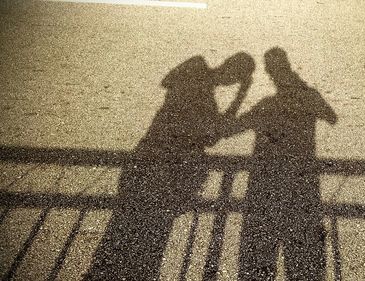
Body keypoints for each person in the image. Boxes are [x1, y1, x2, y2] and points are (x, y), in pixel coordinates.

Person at [86, 53, 255, 280]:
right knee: (130, 236)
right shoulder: (197, 68)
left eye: (237, 80)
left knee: (139, 242)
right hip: (156, 167)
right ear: (230, 67)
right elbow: (171, 86)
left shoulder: (202, 82)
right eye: (236, 76)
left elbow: (211, 135)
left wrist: (238, 97)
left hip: (165, 171)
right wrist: (230, 96)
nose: (231, 81)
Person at [235, 47, 337, 280]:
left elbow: (229, 129)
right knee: (302, 260)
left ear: (270, 73)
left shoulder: (265, 106)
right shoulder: (308, 96)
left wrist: (242, 92)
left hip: (265, 189)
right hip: (302, 187)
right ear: (288, 68)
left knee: (261, 256)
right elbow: (331, 117)